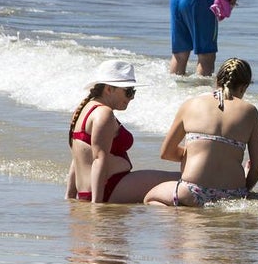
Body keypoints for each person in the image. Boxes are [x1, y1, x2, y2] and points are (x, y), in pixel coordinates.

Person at [145, 58, 258, 206]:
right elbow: (257, 167)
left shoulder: (191, 104)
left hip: (193, 191)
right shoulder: (250, 112)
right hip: (233, 194)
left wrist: (197, 151)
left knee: (150, 198)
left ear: (217, 80)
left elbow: (166, 153)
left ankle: (181, 213)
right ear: (244, 87)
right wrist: (244, 190)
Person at [66, 60, 179, 203]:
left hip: (91, 191)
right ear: (109, 89)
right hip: (108, 189)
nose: (132, 97)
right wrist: (97, 206)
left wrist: (70, 196)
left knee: (174, 183)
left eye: (133, 92)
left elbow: (78, 157)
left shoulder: (84, 109)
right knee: (182, 180)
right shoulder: (103, 114)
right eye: (128, 92)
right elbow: (99, 160)